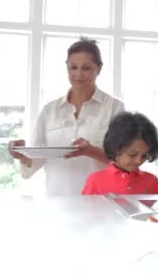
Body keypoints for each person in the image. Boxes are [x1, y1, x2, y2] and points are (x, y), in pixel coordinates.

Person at [9, 37, 125, 196]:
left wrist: (90, 151)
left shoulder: (115, 108)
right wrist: (22, 154)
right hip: (58, 200)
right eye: (73, 67)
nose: (78, 74)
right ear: (67, 68)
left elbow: (125, 161)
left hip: (101, 200)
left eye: (86, 68)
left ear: (99, 68)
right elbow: (36, 161)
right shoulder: (50, 110)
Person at [82, 112, 158, 195]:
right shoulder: (95, 181)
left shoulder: (152, 181)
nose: (138, 161)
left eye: (144, 155)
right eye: (132, 154)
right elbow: (85, 208)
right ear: (115, 148)